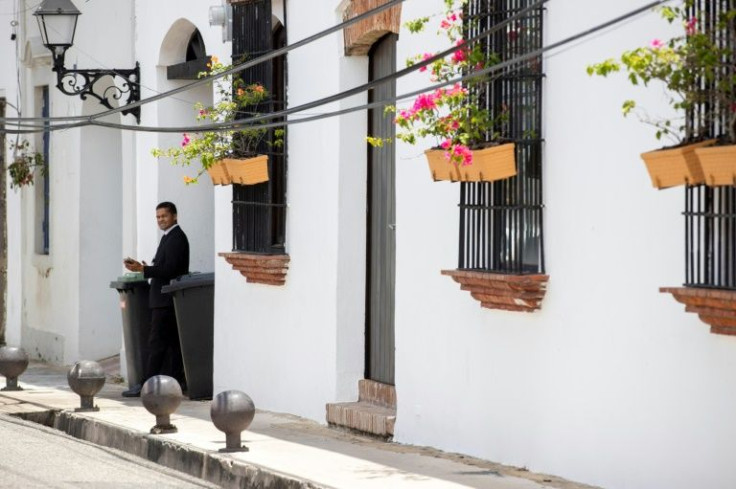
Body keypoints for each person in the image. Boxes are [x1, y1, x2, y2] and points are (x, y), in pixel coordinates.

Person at [121, 202, 189, 397]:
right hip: (161, 298)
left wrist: (144, 269)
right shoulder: (168, 237)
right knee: (171, 344)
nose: (160, 220)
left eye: (164, 216)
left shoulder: (177, 238)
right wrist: (145, 268)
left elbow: (171, 269)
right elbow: (162, 266)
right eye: (158, 217)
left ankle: (146, 385)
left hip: (165, 299)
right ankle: (175, 382)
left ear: (174, 216)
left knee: (157, 342)